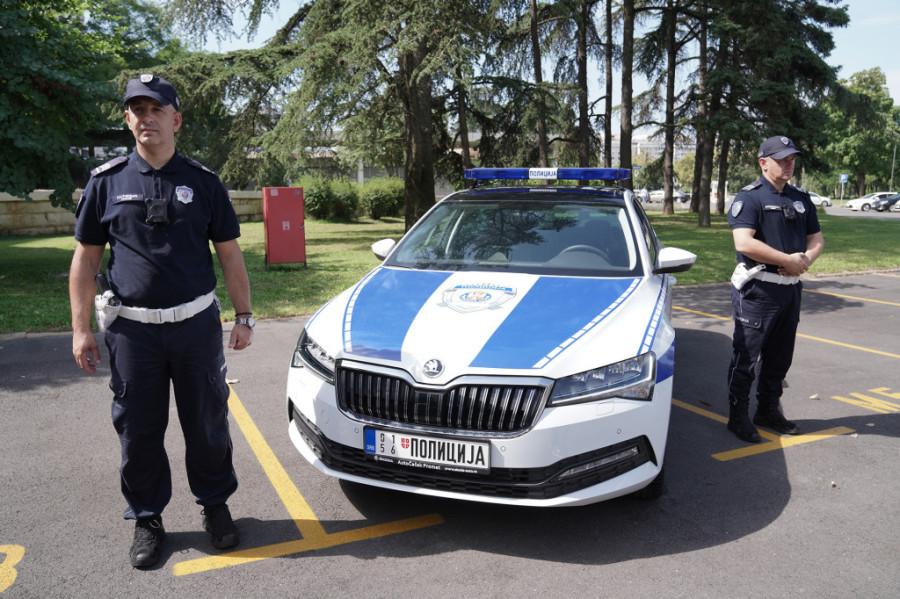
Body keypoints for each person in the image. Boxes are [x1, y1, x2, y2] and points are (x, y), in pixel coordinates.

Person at [69, 74, 255, 568]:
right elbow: (86, 261)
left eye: (157, 109)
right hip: (132, 332)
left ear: (176, 120)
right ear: (128, 119)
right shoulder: (105, 182)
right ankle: (148, 518)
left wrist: (245, 316)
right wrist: (81, 328)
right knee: (138, 429)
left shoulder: (204, 182)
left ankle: (215, 507)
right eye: (137, 109)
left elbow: (231, 256)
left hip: (195, 326)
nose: (147, 118)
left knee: (207, 422)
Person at [725, 135, 824, 443]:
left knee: (780, 358)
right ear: (763, 163)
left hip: (790, 290)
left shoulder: (800, 197)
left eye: (792, 159)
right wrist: (786, 260)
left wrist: (803, 261)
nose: (788, 165)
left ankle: (767, 410)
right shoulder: (750, 197)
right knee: (747, 357)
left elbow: (817, 239)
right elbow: (744, 242)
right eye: (782, 160)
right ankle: (738, 416)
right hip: (759, 291)